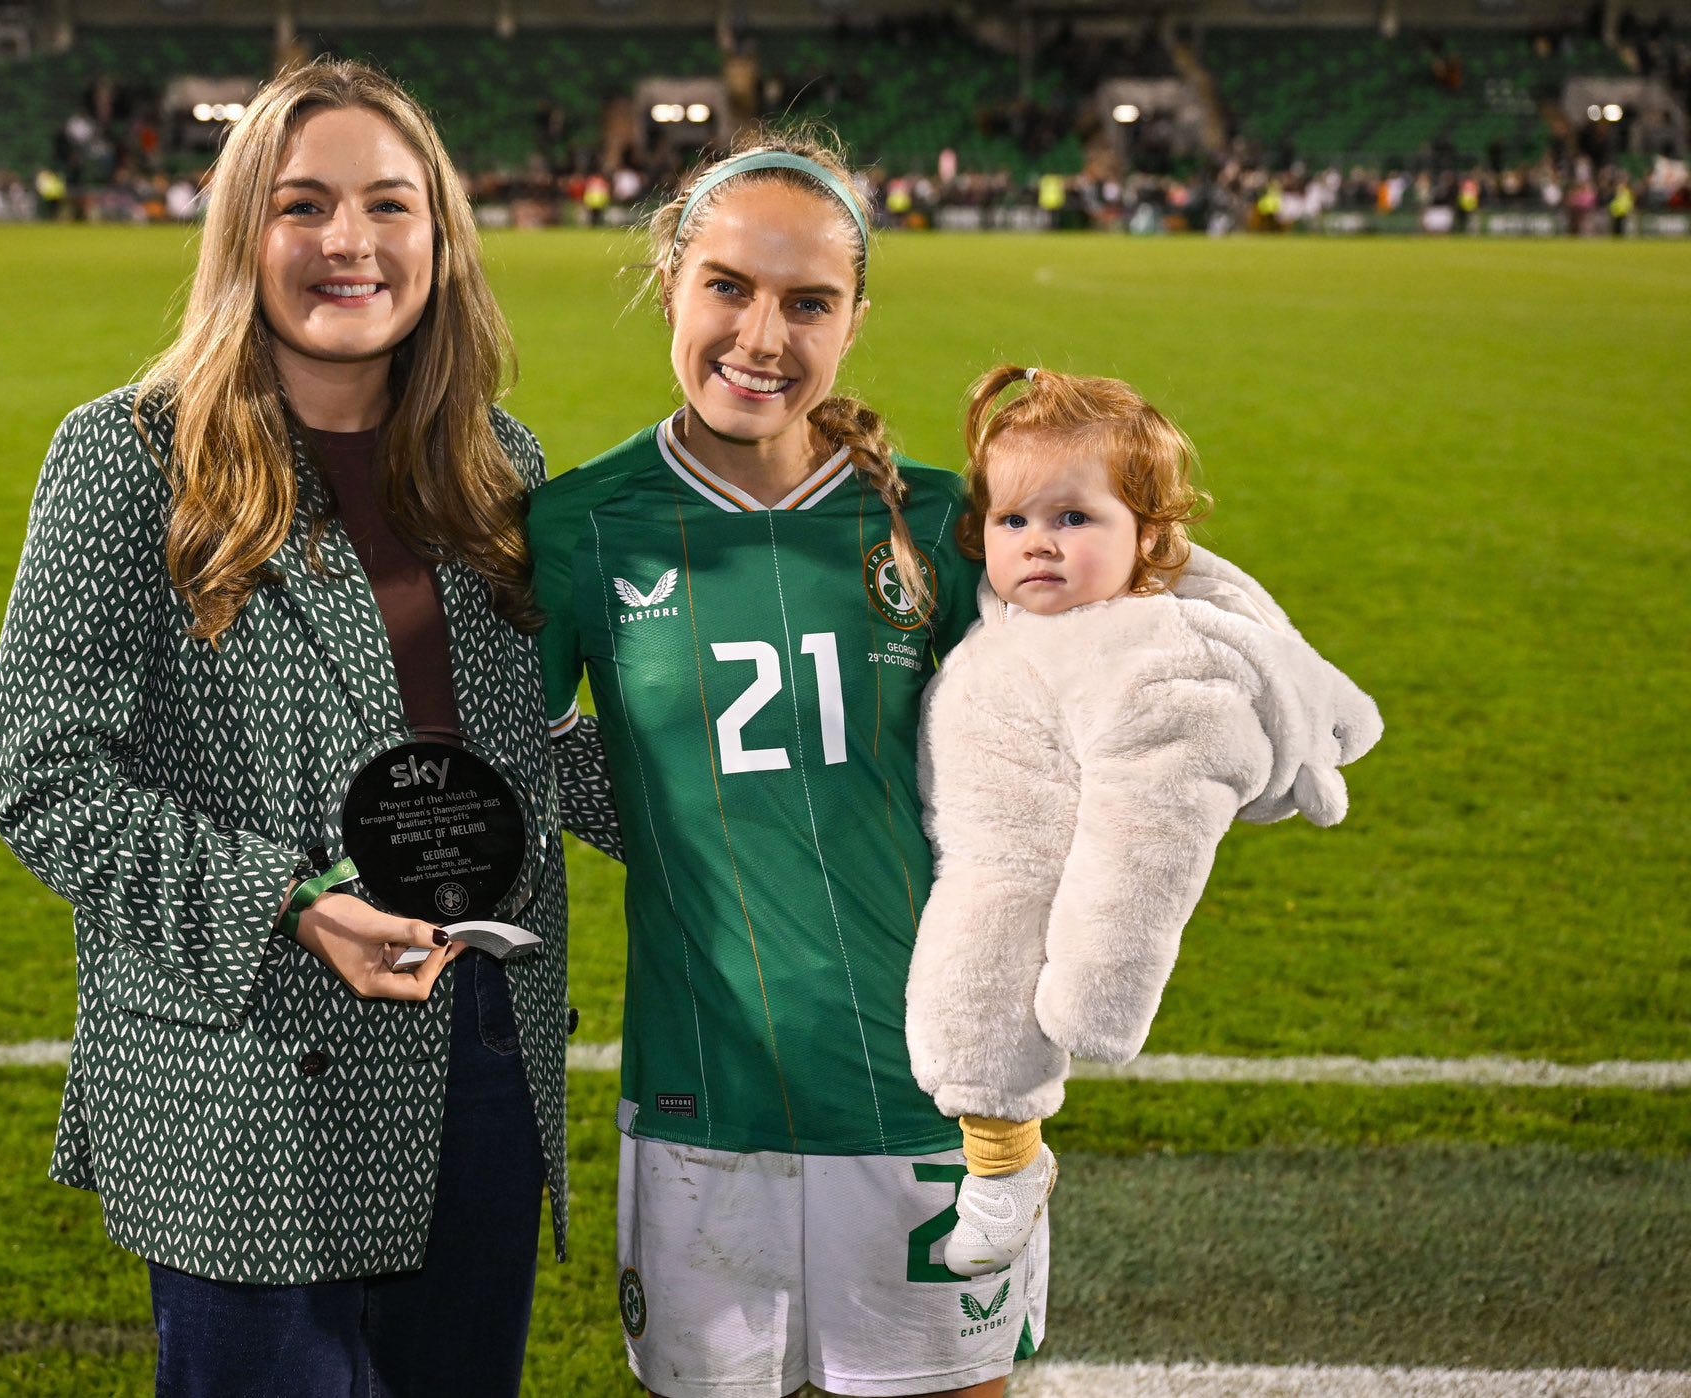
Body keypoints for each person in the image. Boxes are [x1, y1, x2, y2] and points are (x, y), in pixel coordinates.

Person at [0, 60, 567, 1397]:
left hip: (474, 1030)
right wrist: (293, 902)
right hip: (253, 1054)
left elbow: (518, 752)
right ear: (242, 231)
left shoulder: (497, 465)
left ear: (441, 236)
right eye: (303, 204)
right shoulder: (129, 458)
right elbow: (46, 776)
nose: (349, 241)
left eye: (388, 204)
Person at [532, 130, 1029, 1398]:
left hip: (928, 1097)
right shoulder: (580, 526)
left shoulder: (946, 525)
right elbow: (489, 768)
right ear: (669, 283)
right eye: (727, 288)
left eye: (807, 302)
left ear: (854, 320)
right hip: (703, 1107)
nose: (761, 336)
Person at [906, 367, 1383, 1277]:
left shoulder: (1145, 657)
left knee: (974, 1019)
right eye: (1014, 521)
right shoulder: (1022, 611)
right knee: (952, 1011)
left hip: (1036, 872)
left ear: (1149, 538)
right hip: (977, 849)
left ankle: (1005, 1172)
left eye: (1074, 519)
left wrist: (1095, 987)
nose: (1038, 544)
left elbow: (1147, 846)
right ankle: (999, 1159)